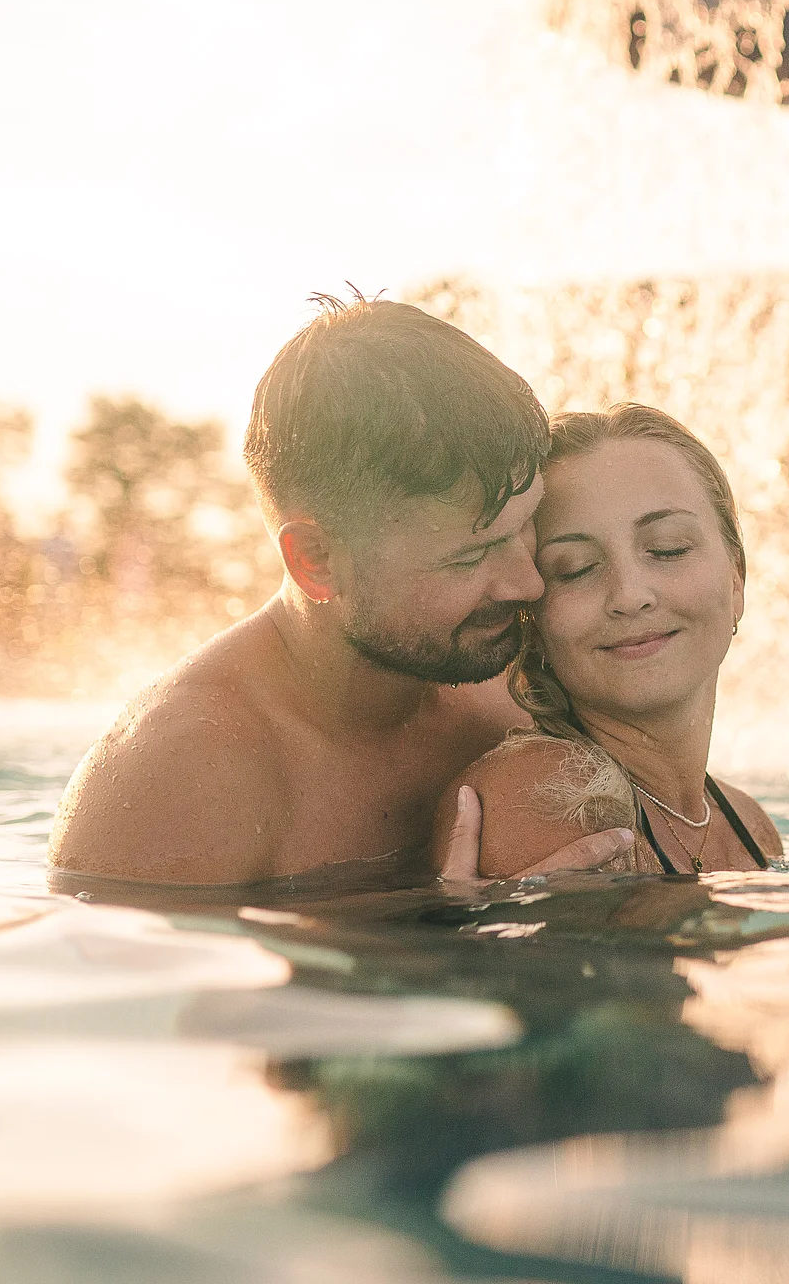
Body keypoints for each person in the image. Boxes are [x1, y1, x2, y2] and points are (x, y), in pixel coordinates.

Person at [49, 298, 633, 897]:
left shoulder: (520, 677)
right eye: (468, 557)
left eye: (525, 525)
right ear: (315, 560)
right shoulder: (183, 784)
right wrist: (458, 928)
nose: (527, 584)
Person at [439, 405, 783, 879]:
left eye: (668, 549)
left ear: (736, 579)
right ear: (532, 620)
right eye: (576, 569)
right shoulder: (549, 794)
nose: (629, 596)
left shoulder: (750, 824)